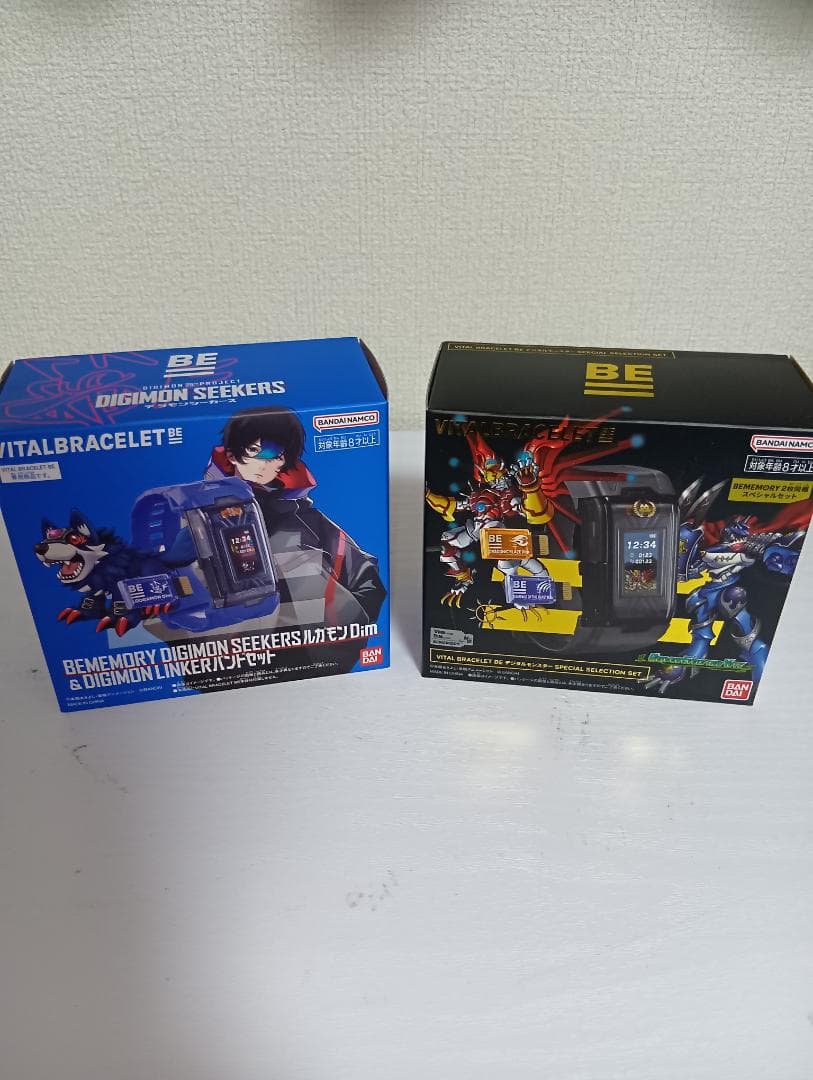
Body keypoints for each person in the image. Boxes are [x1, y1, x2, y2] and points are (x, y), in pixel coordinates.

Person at [205, 406, 386, 625]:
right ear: (232, 455)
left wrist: (343, 629)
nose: (264, 463)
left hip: (311, 639)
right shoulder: (199, 516)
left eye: (276, 456)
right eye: (254, 450)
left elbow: (366, 579)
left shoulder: (305, 520)